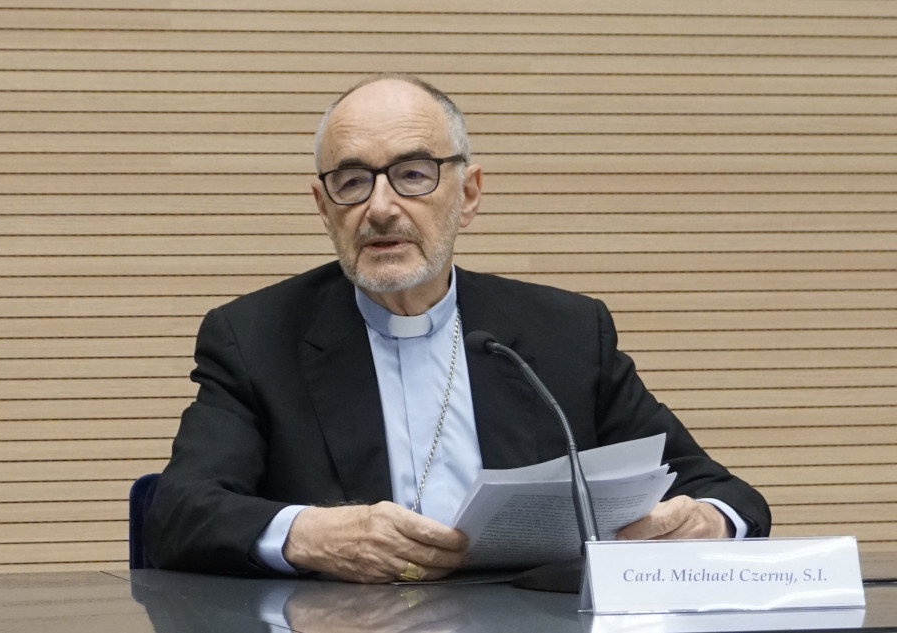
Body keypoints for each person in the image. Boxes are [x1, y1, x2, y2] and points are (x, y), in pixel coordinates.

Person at [144, 74, 771, 584]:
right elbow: (178, 514)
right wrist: (310, 534)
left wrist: (704, 524)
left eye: (414, 173)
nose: (381, 206)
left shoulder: (565, 333)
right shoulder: (256, 339)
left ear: (468, 193)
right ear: (323, 205)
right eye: (352, 181)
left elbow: (724, 493)